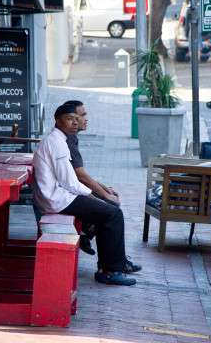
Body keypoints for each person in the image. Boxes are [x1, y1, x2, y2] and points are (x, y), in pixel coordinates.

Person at [32, 104, 141, 286]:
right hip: (57, 200)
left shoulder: (59, 139)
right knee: (112, 214)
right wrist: (95, 197)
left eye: (76, 119)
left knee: (110, 209)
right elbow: (70, 183)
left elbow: (70, 182)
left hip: (57, 196)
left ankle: (112, 263)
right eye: (69, 119)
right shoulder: (57, 143)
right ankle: (108, 271)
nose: (75, 123)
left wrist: (100, 196)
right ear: (57, 121)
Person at [62, 100, 122, 257]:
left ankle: (89, 238)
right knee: (112, 211)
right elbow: (80, 176)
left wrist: (105, 189)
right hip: (65, 196)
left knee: (109, 206)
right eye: (82, 115)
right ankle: (110, 265)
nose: (86, 119)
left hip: (69, 191)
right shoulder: (66, 139)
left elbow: (80, 173)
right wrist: (105, 195)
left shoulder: (70, 138)